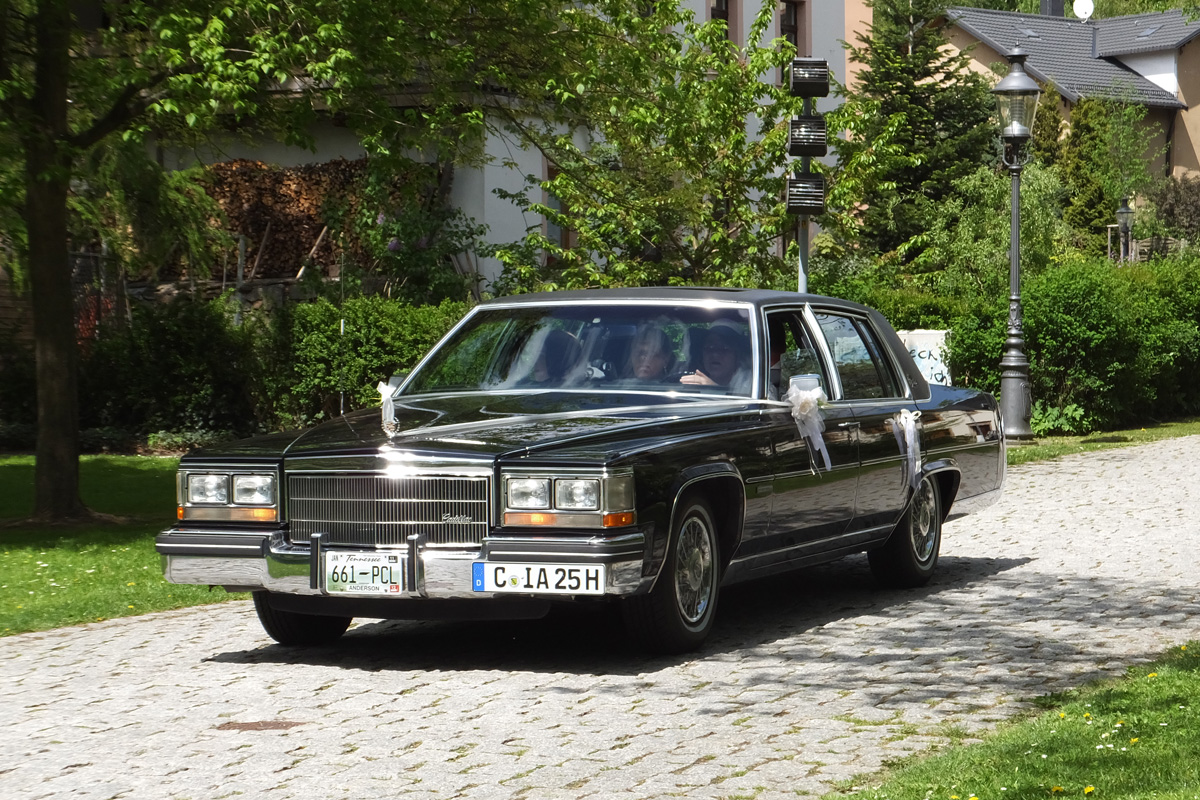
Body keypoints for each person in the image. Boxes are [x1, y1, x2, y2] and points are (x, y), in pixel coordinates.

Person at [679, 322, 751, 394]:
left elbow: (742, 404)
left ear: (738, 355)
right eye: (710, 347)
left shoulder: (750, 382)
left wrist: (712, 388)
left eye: (724, 348)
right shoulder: (695, 377)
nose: (715, 354)